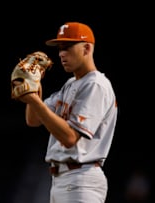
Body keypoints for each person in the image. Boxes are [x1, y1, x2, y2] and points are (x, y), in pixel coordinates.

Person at [16, 22, 118, 203]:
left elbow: (70, 138)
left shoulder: (95, 85)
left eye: (68, 47)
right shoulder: (70, 85)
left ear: (86, 48)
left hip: (81, 179)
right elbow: (33, 120)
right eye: (60, 48)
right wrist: (34, 86)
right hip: (63, 179)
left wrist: (33, 99)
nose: (62, 53)